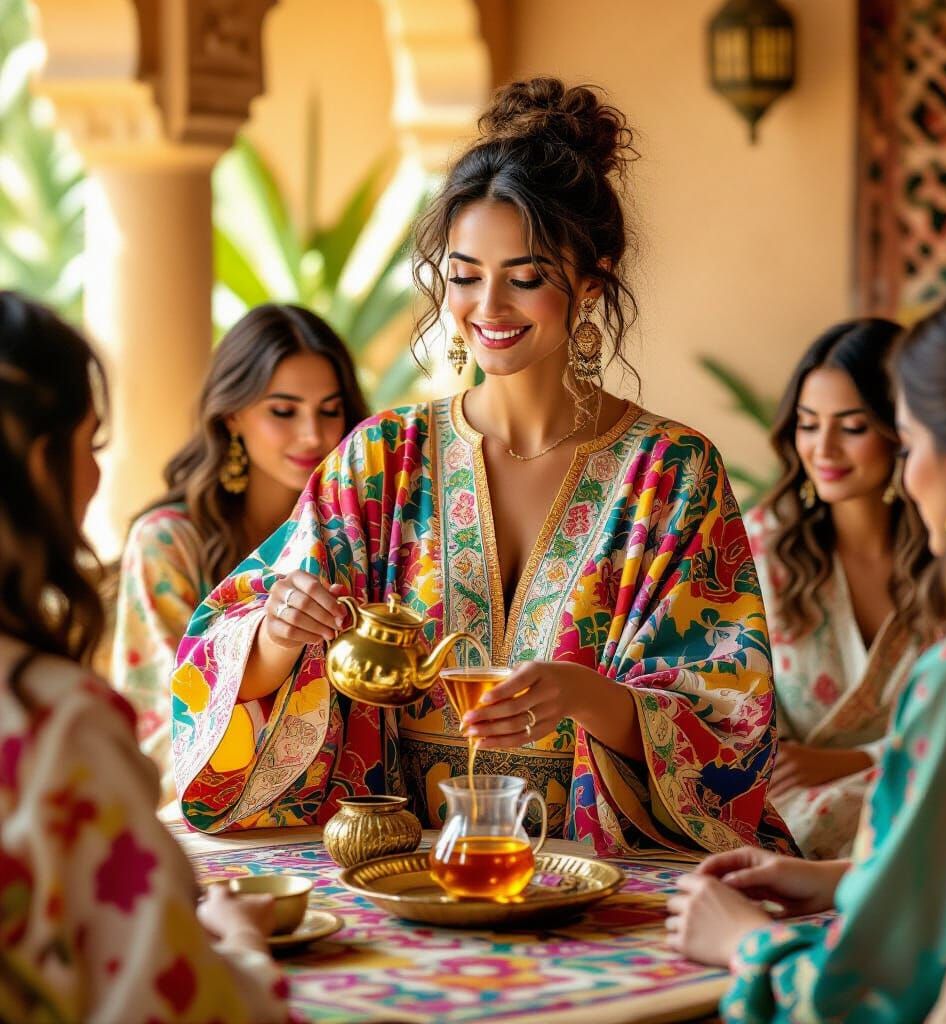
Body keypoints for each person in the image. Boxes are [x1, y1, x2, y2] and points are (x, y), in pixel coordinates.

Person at [171, 77, 795, 858]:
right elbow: (221, 671)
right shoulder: (379, 461)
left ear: (592, 282)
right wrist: (275, 633)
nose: (488, 307)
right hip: (407, 868)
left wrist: (587, 697)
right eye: (464, 275)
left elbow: (731, 728)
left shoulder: (671, 473)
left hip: (607, 875)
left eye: (526, 277)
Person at [665, 274, 946, 1022]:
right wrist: (843, 879)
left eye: (912, 440)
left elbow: (866, 992)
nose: (909, 470)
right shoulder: (756, 550)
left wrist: (747, 943)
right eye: (807, 422)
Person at [0, 292, 287, 1022]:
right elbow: (180, 1004)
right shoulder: (51, 723)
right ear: (39, 461)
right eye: (91, 445)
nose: (96, 476)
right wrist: (240, 947)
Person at [111, 303, 368, 804]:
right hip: (202, 815)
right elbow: (170, 716)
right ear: (232, 414)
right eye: (283, 411)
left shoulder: (353, 535)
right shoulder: (167, 543)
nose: (313, 435)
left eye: (330, 409)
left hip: (344, 809)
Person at [744, 319, 929, 857]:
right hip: (791, 816)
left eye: (851, 427)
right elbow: (721, 702)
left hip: (920, 796)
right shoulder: (758, 547)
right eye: (807, 424)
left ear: (904, 430)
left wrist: (858, 760)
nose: (823, 448)